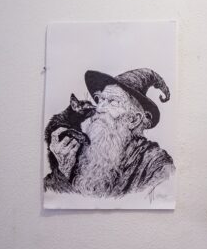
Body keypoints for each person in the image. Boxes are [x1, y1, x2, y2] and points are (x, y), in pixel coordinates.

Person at [44, 68, 174, 197]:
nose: (99, 108)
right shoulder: (82, 151)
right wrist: (65, 170)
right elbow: (50, 192)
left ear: (133, 120)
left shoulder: (156, 165)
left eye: (113, 102)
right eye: (100, 100)